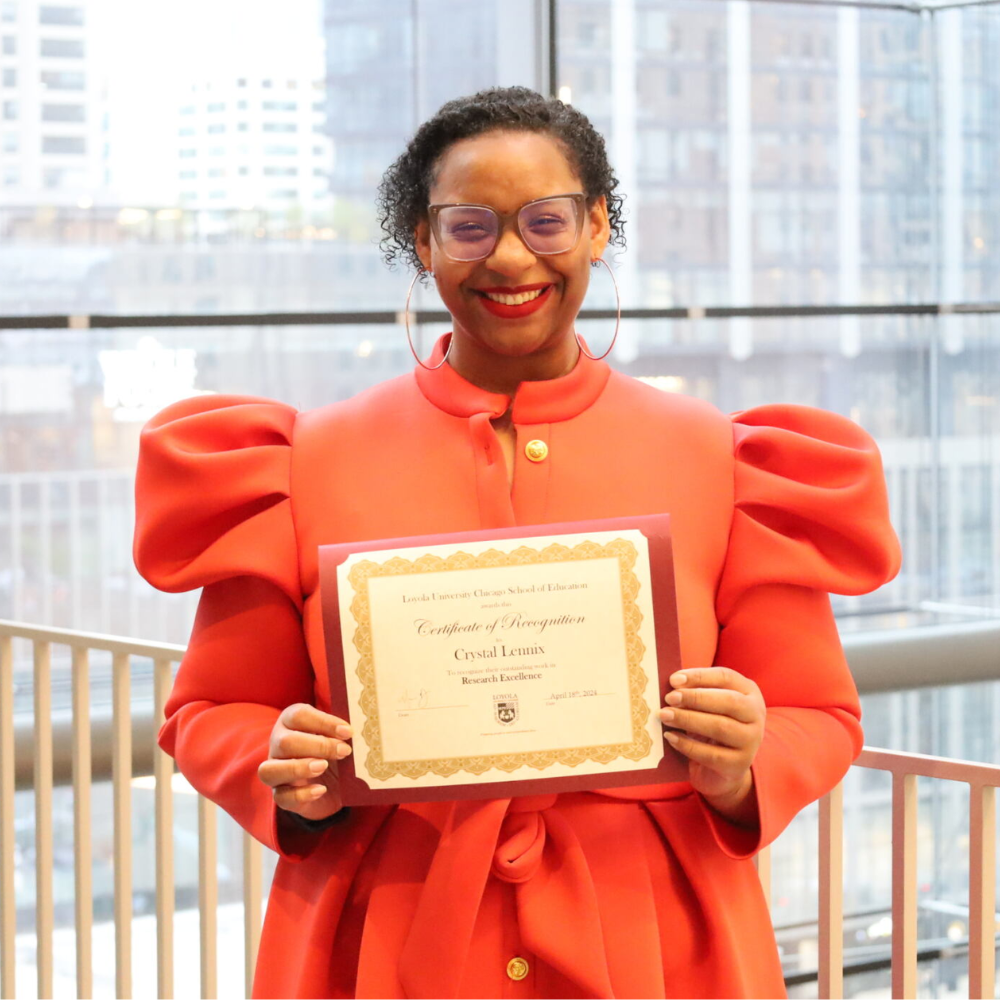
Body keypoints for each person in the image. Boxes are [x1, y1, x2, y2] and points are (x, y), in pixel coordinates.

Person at [134, 86, 901, 999]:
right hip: (384, 931)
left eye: (546, 220)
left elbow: (819, 712)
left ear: (598, 227)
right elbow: (212, 711)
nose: (509, 257)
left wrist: (746, 759)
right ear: (423, 242)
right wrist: (286, 766)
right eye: (469, 226)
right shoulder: (306, 460)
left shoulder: (719, 458)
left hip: (656, 937)